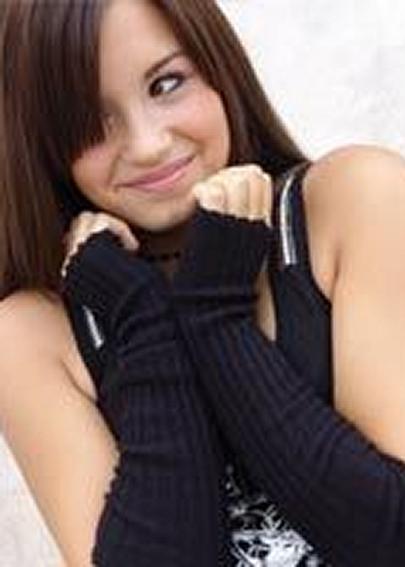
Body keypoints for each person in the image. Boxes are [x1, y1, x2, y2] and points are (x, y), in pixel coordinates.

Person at [1, 1, 405, 566]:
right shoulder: (32, 334)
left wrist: (216, 316)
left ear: (219, 68)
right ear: (44, 142)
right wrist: (143, 323)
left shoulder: (355, 202)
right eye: (91, 120)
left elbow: (391, 538)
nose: (147, 144)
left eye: (167, 83)